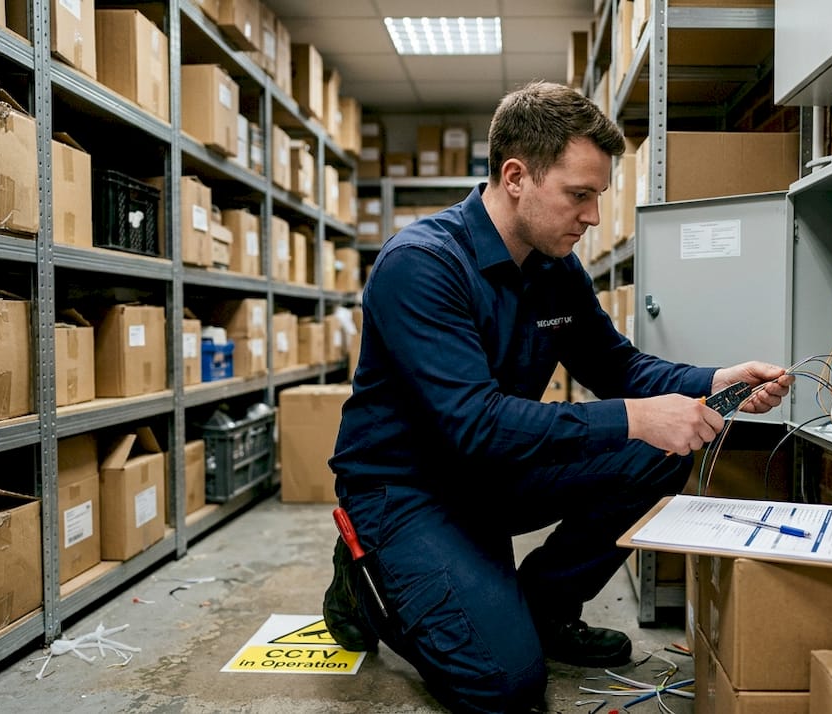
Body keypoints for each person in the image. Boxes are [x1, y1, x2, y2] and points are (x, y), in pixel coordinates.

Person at [322, 80, 793, 713]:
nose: (593, 216)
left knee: (657, 452)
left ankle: (544, 609)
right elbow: (476, 424)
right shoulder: (422, 265)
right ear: (516, 176)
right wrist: (636, 417)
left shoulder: (554, 267)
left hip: (494, 471)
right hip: (408, 489)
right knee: (504, 687)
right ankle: (368, 583)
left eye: (598, 196)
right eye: (579, 195)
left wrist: (713, 383)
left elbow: (616, 365)